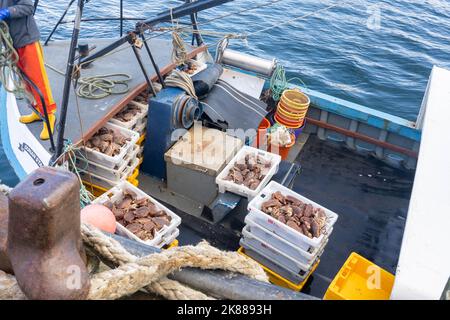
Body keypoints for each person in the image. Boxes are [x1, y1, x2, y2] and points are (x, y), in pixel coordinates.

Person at [0, 0, 56, 140]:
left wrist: (7, 12)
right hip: (11, 44)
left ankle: (49, 115)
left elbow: (28, 7)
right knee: (25, 82)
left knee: (38, 80)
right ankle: (38, 111)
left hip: (27, 41)